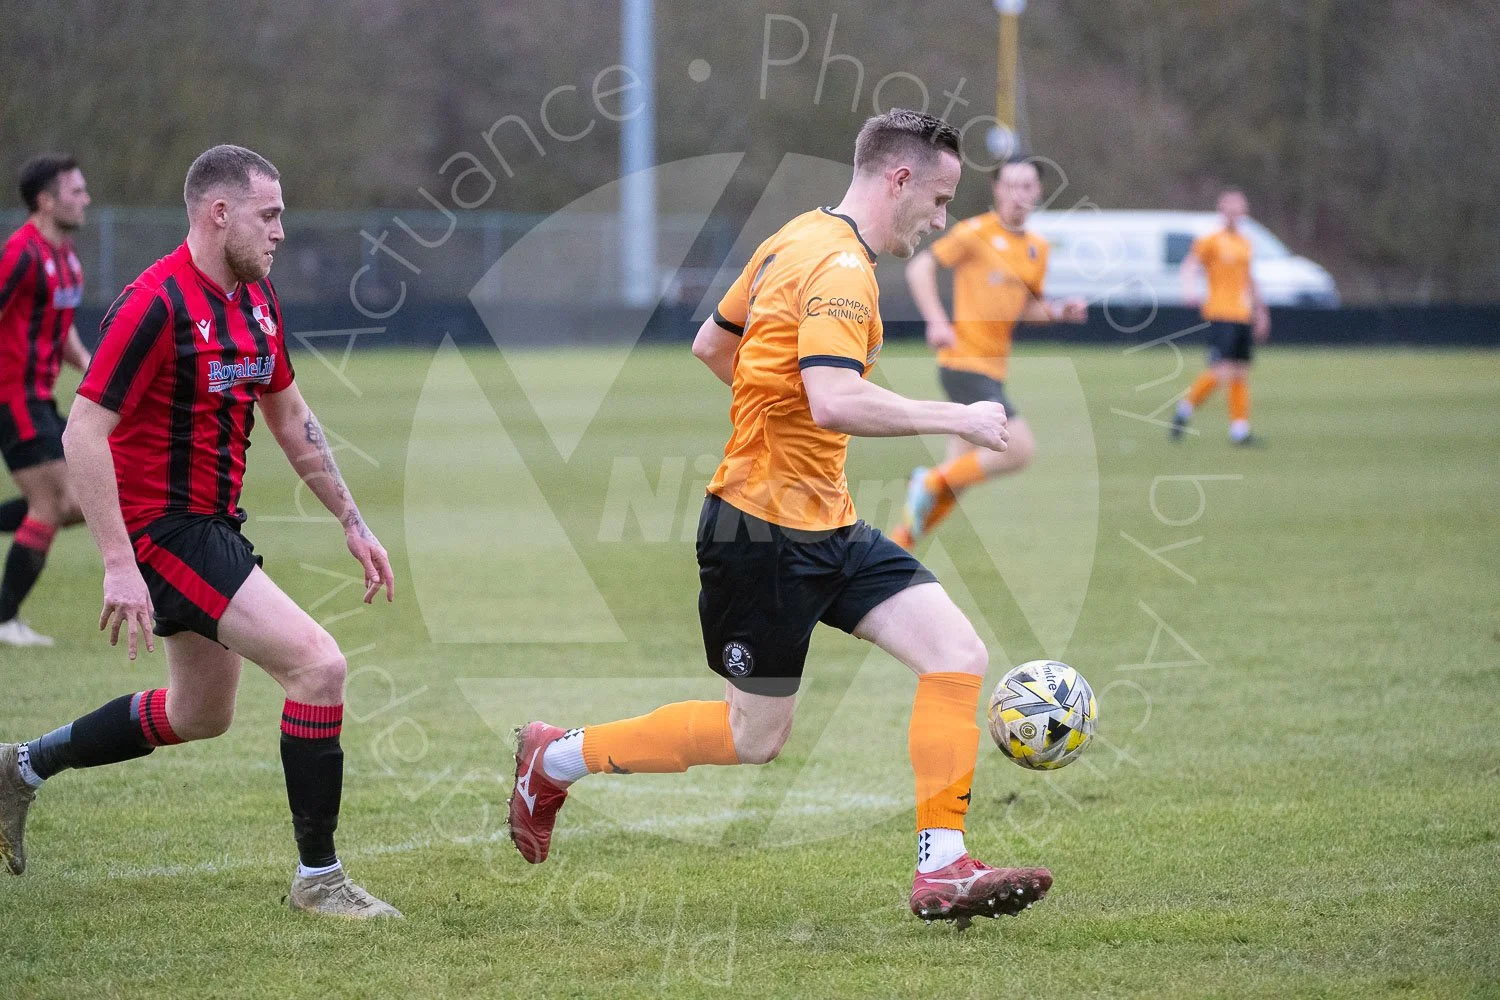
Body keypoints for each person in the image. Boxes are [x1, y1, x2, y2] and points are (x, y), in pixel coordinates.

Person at [508, 111, 1052, 926]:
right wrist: (956, 419)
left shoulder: (791, 236)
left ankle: (943, 865)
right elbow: (832, 398)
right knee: (754, 737)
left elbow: (711, 345)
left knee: (956, 653)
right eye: (938, 199)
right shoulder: (840, 269)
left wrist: (772, 414)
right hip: (758, 533)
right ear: (898, 179)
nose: (941, 220)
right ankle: (552, 759)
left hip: (827, 522)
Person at [0, 145, 400, 918]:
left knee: (199, 716)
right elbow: (84, 430)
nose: (282, 231)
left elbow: (288, 415)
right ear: (221, 213)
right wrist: (118, 560)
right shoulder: (154, 303)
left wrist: (352, 520)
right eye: (270, 214)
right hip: (165, 535)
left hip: (213, 527)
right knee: (319, 668)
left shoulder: (256, 301)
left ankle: (20, 768)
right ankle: (319, 881)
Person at [892, 156, 1087, 549]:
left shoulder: (1037, 249)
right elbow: (919, 268)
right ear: (997, 190)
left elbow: (1026, 310)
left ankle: (900, 545)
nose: (1019, 194)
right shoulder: (975, 233)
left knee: (958, 478)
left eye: (1027, 186)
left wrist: (1058, 311)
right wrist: (937, 321)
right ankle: (927, 481)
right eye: (1011, 185)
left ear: (1038, 192)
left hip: (992, 369)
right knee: (1018, 449)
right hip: (964, 363)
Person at [0, 155, 94, 646]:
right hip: (12, 397)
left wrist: (96, 369)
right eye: (76, 191)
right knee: (53, 500)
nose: (86, 199)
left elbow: (61, 334)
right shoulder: (20, 253)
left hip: (41, 396)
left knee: (75, 502)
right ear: (46, 200)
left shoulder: (67, 256)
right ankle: (3, 619)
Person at [1170, 188, 1270, 445]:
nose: (1236, 213)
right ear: (1222, 211)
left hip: (1242, 313)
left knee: (1240, 371)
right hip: (1220, 311)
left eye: (1240, 208)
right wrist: (1189, 289)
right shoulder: (1211, 240)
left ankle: (1240, 431)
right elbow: (1190, 265)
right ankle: (1185, 409)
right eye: (1231, 208)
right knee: (1222, 370)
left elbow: (1250, 278)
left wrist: (1261, 311)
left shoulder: (1245, 242)